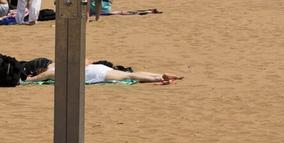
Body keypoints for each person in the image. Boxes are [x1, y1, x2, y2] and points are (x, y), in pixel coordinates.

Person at [27, 61, 183, 85]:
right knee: (127, 74)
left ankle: (159, 77)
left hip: (97, 75)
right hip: (97, 68)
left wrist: (28, 80)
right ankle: (158, 75)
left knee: (128, 76)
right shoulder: (56, 64)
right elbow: (86, 60)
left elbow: (40, 78)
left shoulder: (51, 73)